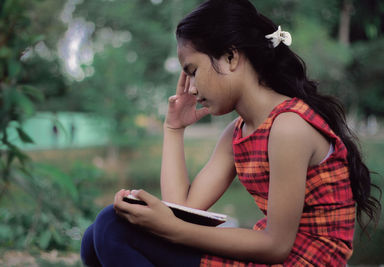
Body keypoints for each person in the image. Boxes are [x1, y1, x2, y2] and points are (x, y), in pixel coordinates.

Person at [81, 0, 381, 266]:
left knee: (111, 226)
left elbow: (276, 246)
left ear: (230, 57)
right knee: (95, 235)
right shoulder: (237, 134)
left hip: (299, 261)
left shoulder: (289, 127)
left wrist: (171, 229)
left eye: (193, 71)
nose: (192, 88)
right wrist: (174, 129)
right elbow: (183, 208)